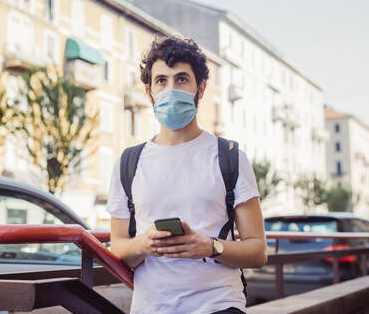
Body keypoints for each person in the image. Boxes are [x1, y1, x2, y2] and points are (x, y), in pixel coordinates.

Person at [107, 36, 267, 314]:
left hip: (218, 304)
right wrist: (143, 244)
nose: (170, 89)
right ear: (149, 92)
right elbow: (118, 247)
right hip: (151, 307)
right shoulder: (128, 162)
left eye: (181, 79)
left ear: (200, 89)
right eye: (161, 81)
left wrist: (210, 247)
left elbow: (257, 251)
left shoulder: (230, 157)